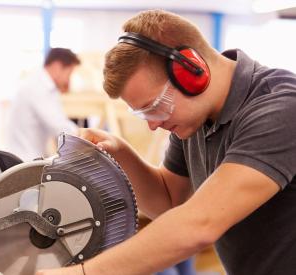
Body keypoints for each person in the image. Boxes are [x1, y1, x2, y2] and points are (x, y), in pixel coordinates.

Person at [37, 9, 296, 275]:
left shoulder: (280, 108)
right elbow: (169, 202)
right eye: (142, 114)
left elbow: (200, 223)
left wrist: (83, 273)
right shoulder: (196, 119)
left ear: (192, 72)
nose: (152, 124)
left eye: (154, 107)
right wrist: (119, 152)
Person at [6, 48, 81, 161]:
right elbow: (59, 127)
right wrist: (86, 136)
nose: (68, 80)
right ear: (57, 66)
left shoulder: (41, 84)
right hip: (23, 160)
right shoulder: (38, 87)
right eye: (69, 73)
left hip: (27, 157)